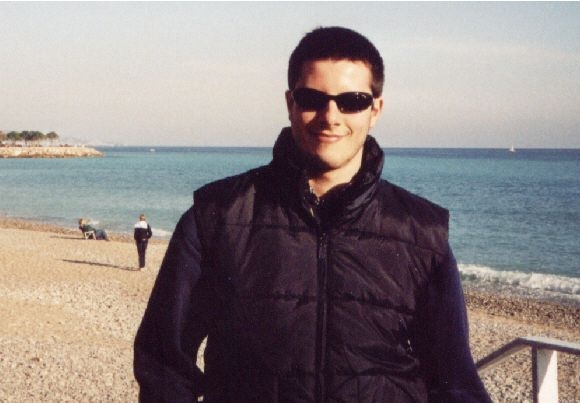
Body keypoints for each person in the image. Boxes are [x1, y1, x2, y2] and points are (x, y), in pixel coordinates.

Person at [134, 26, 491, 402]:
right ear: (290, 103)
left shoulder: (420, 231)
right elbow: (164, 364)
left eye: (352, 101)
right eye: (312, 98)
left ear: (375, 110)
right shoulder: (217, 217)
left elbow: (455, 382)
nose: (330, 116)